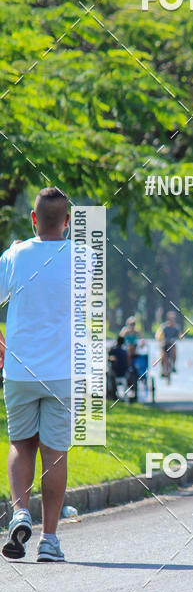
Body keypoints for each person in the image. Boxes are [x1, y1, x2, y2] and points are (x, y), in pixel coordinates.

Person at [0, 187, 72, 562]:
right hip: (61, 372)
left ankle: (20, 512)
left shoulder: (15, 255)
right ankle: (50, 540)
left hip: (19, 370)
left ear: (32, 219)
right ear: (67, 222)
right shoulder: (84, 257)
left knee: (20, 444)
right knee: (55, 454)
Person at [155, 310, 181, 377]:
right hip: (164, 344)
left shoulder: (176, 327)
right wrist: (160, 339)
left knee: (174, 352)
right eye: (171, 319)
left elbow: (180, 335)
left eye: (173, 319)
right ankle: (162, 369)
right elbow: (158, 335)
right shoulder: (164, 327)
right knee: (163, 356)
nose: (172, 320)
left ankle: (173, 365)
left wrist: (181, 337)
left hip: (172, 344)